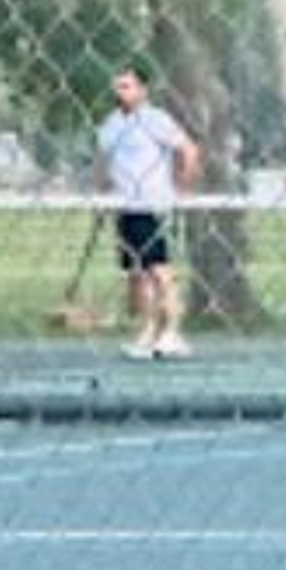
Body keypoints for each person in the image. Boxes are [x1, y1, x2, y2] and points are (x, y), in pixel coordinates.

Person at [96, 64, 201, 359]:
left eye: (127, 86)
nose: (121, 92)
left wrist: (181, 189)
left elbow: (189, 151)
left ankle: (172, 333)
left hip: (150, 205)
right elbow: (104, 164)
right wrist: (103, 197)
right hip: (124, 205)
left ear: (142, 90)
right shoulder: (111, 124)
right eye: (118, 86)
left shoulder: (156, 120)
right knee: (137, 274)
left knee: (159, 270)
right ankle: (148, 332)